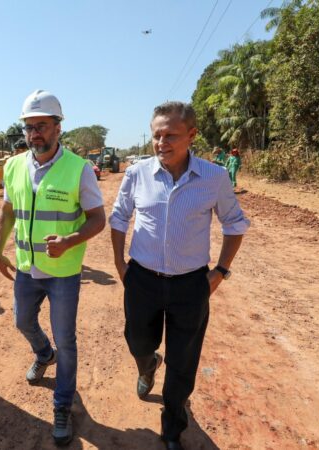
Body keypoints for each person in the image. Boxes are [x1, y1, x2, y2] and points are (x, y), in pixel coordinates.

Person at [109, 102, 249, 449]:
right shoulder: (137, 173)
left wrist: (220, 271)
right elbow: (119, 217)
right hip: (142, 279)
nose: (162, 142)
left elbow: (235, 224)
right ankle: (147, 365)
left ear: (192, 135)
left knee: (183, 361)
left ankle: (172, 427)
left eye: (170, 135)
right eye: (157, 135)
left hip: (190, 285)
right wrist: (120, 265)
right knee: (137, 342)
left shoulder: (214, 177)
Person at [0, 90, 106, 445]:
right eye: (28, 127)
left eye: (41, 126)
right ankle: (44, 354)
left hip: (63, 273)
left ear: (58, 127)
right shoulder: (13, 166)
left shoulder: (79, 169)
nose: (34, 133)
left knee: (66, 341)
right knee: (22, 321)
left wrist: (69, 241)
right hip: (27, 268)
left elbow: (97, 219)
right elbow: (8, 211)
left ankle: (62, 404)